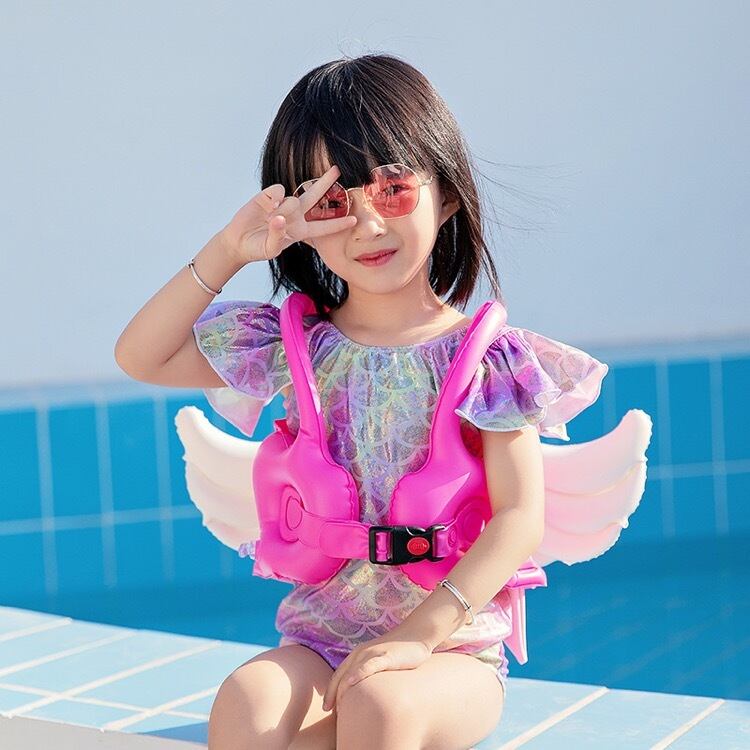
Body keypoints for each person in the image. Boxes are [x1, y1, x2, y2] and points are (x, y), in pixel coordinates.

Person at [115, 53, 618, 750]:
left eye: (393, 190)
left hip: (451, 653)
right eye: (331, 203)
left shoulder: (490, 362)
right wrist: (231, 248)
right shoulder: (293, 346)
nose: (366, 225)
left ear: (446, 194)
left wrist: (419, 636)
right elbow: (142, 356)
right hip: (319, 643)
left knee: (380, 707)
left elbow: (518, 517)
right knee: (246, 704)